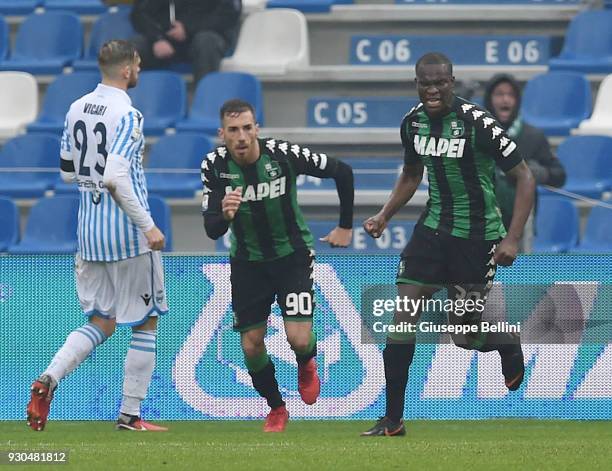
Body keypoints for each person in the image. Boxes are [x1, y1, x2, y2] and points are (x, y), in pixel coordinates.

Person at [361, 52, 536, 437]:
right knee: (403, 313)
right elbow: (411, 173)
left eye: (441, 82)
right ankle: (393, 420)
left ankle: (506, 341)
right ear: (417, 84)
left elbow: (525, 178)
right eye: (426, 82)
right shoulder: (413, 123)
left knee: (463, 335)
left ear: (452, 82)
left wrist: (512, 237)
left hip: (476, 238)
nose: (433, 89)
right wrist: (385, 214)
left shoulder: (478, 123)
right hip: (432, 230)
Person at [26, 40, 168, 432]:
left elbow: (68, 173)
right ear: (127, 69)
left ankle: (48, 379)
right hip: (127, 238)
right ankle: (130, 415)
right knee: (146, 322)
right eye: (137, 64)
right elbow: (115, 176)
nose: (139, 70)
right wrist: (147, 226)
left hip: (89, 235)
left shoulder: (75, 108)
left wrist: (95, 180)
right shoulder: (128, 114)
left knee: (102, 321)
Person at [201, 99, 354, 432]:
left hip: (292, 257)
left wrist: (345, 225)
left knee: (298, 339)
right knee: (251, 344)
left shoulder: (284, 154)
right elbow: (212, 227)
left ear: (257, 129)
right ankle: (276, 407)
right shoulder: (213, 165)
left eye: (246, 128)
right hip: (247, 264)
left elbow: (342, 171)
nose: (241, 136)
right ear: (222, 134)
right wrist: (225, 215)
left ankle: (306, 361)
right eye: (233, 130)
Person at [484, 74, 566, 252]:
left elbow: (559, 176)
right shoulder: (477, 134)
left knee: (519, 279)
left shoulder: (532, 136)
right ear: (489, 99)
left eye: (511, 94)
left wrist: (540, 173)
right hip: (480, 225)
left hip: (520, 229)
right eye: (499, 94)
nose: (505, 99)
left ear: (518, 100)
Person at [130, 0, 241, 84]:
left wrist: (188, 29)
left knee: (206, 42)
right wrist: (157, 38)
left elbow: (228, 14)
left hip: (205, 35)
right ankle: (128, 104)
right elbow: (139, 14)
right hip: (164, 39)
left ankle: (206, 102)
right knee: (131, 50)